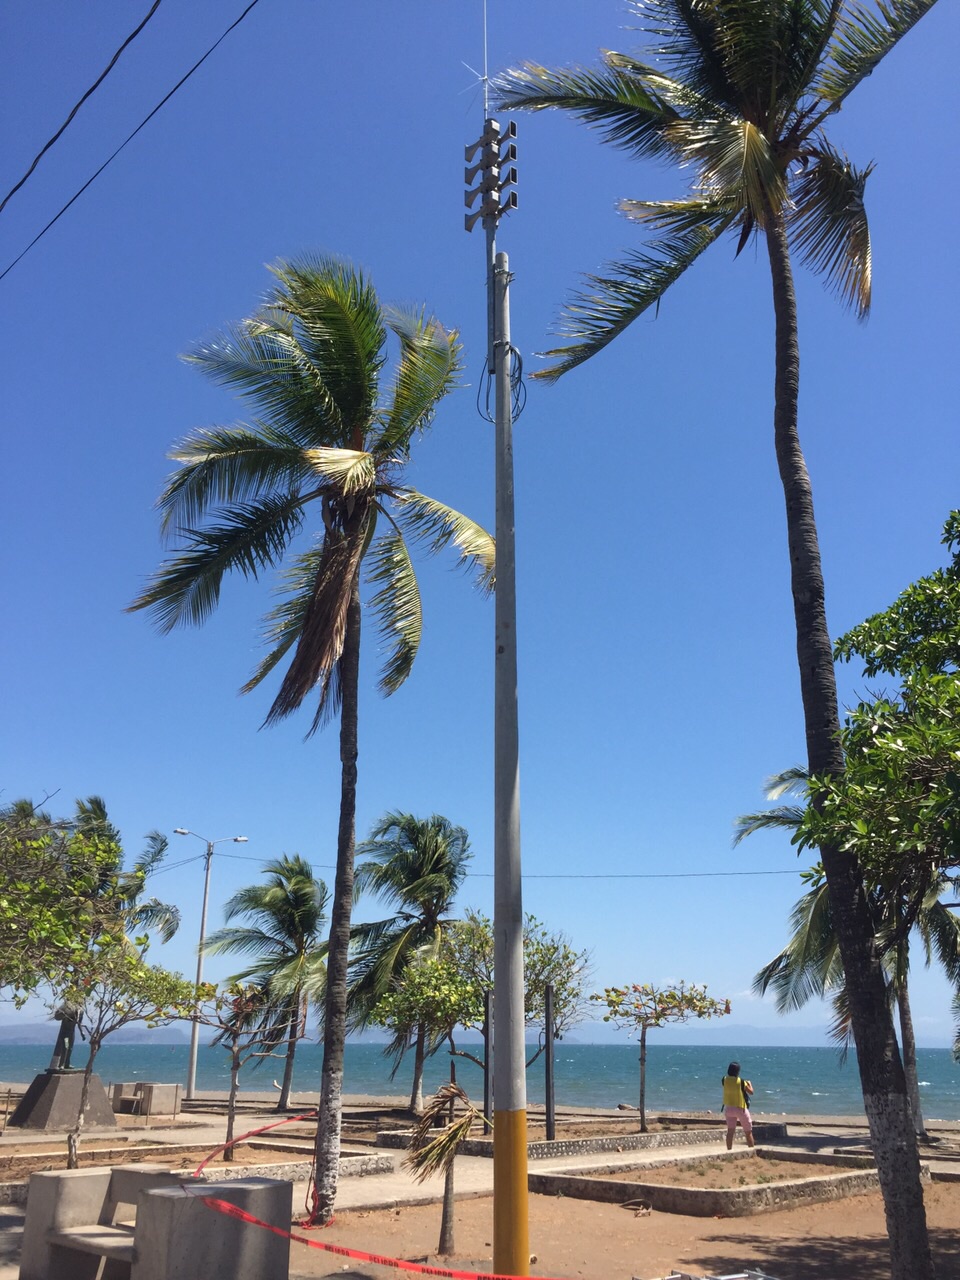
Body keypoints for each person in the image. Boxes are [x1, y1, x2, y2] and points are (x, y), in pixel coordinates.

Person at [721, 1060, 755, 1150]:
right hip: (740, 1108)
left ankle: (729, 1150)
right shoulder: (741, 1082)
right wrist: (750, 1084)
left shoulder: (724, 1080)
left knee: (730, 1132)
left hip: (729, 1108)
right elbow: (751, 1092)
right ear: (738, 1071)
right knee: (748, 1132)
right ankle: (751, 1151)